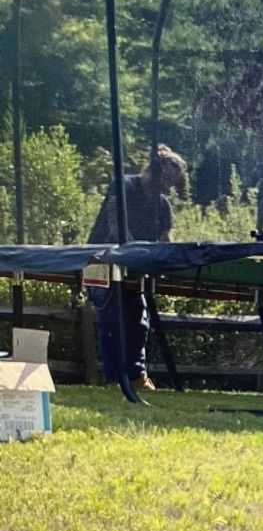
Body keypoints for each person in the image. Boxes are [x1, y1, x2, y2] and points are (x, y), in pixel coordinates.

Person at [88, 144, 187, 391]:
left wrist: (173, 260)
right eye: (168, 179)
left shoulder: (162, 204)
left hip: (134, 268)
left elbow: (165, 239)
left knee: (137, 319)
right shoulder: (124, 185)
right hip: (100, 260)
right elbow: (115, 223)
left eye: (173, 182)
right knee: (109, 319)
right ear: (156, 171)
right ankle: (114, 378)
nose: (169, 186)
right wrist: (132, 248)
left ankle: (136, 375)